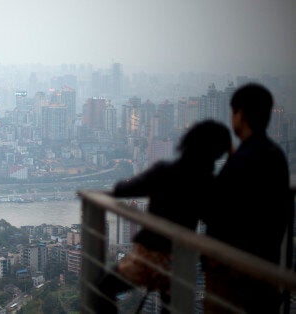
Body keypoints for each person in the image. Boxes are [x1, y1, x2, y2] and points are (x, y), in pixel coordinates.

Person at [96, 119, 232, 313]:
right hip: (179, 260)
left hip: (149, 255)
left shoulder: (165, 171)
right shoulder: (207, 183)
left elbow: (122, 189)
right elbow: (216, 222)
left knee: (106, 287)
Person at [201, 83, 291, 313]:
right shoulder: (276, 155)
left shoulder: (242, 160)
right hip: (265, 270)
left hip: (233, 276)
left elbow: (214, 209)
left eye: (233, 113)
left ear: (239, 114)